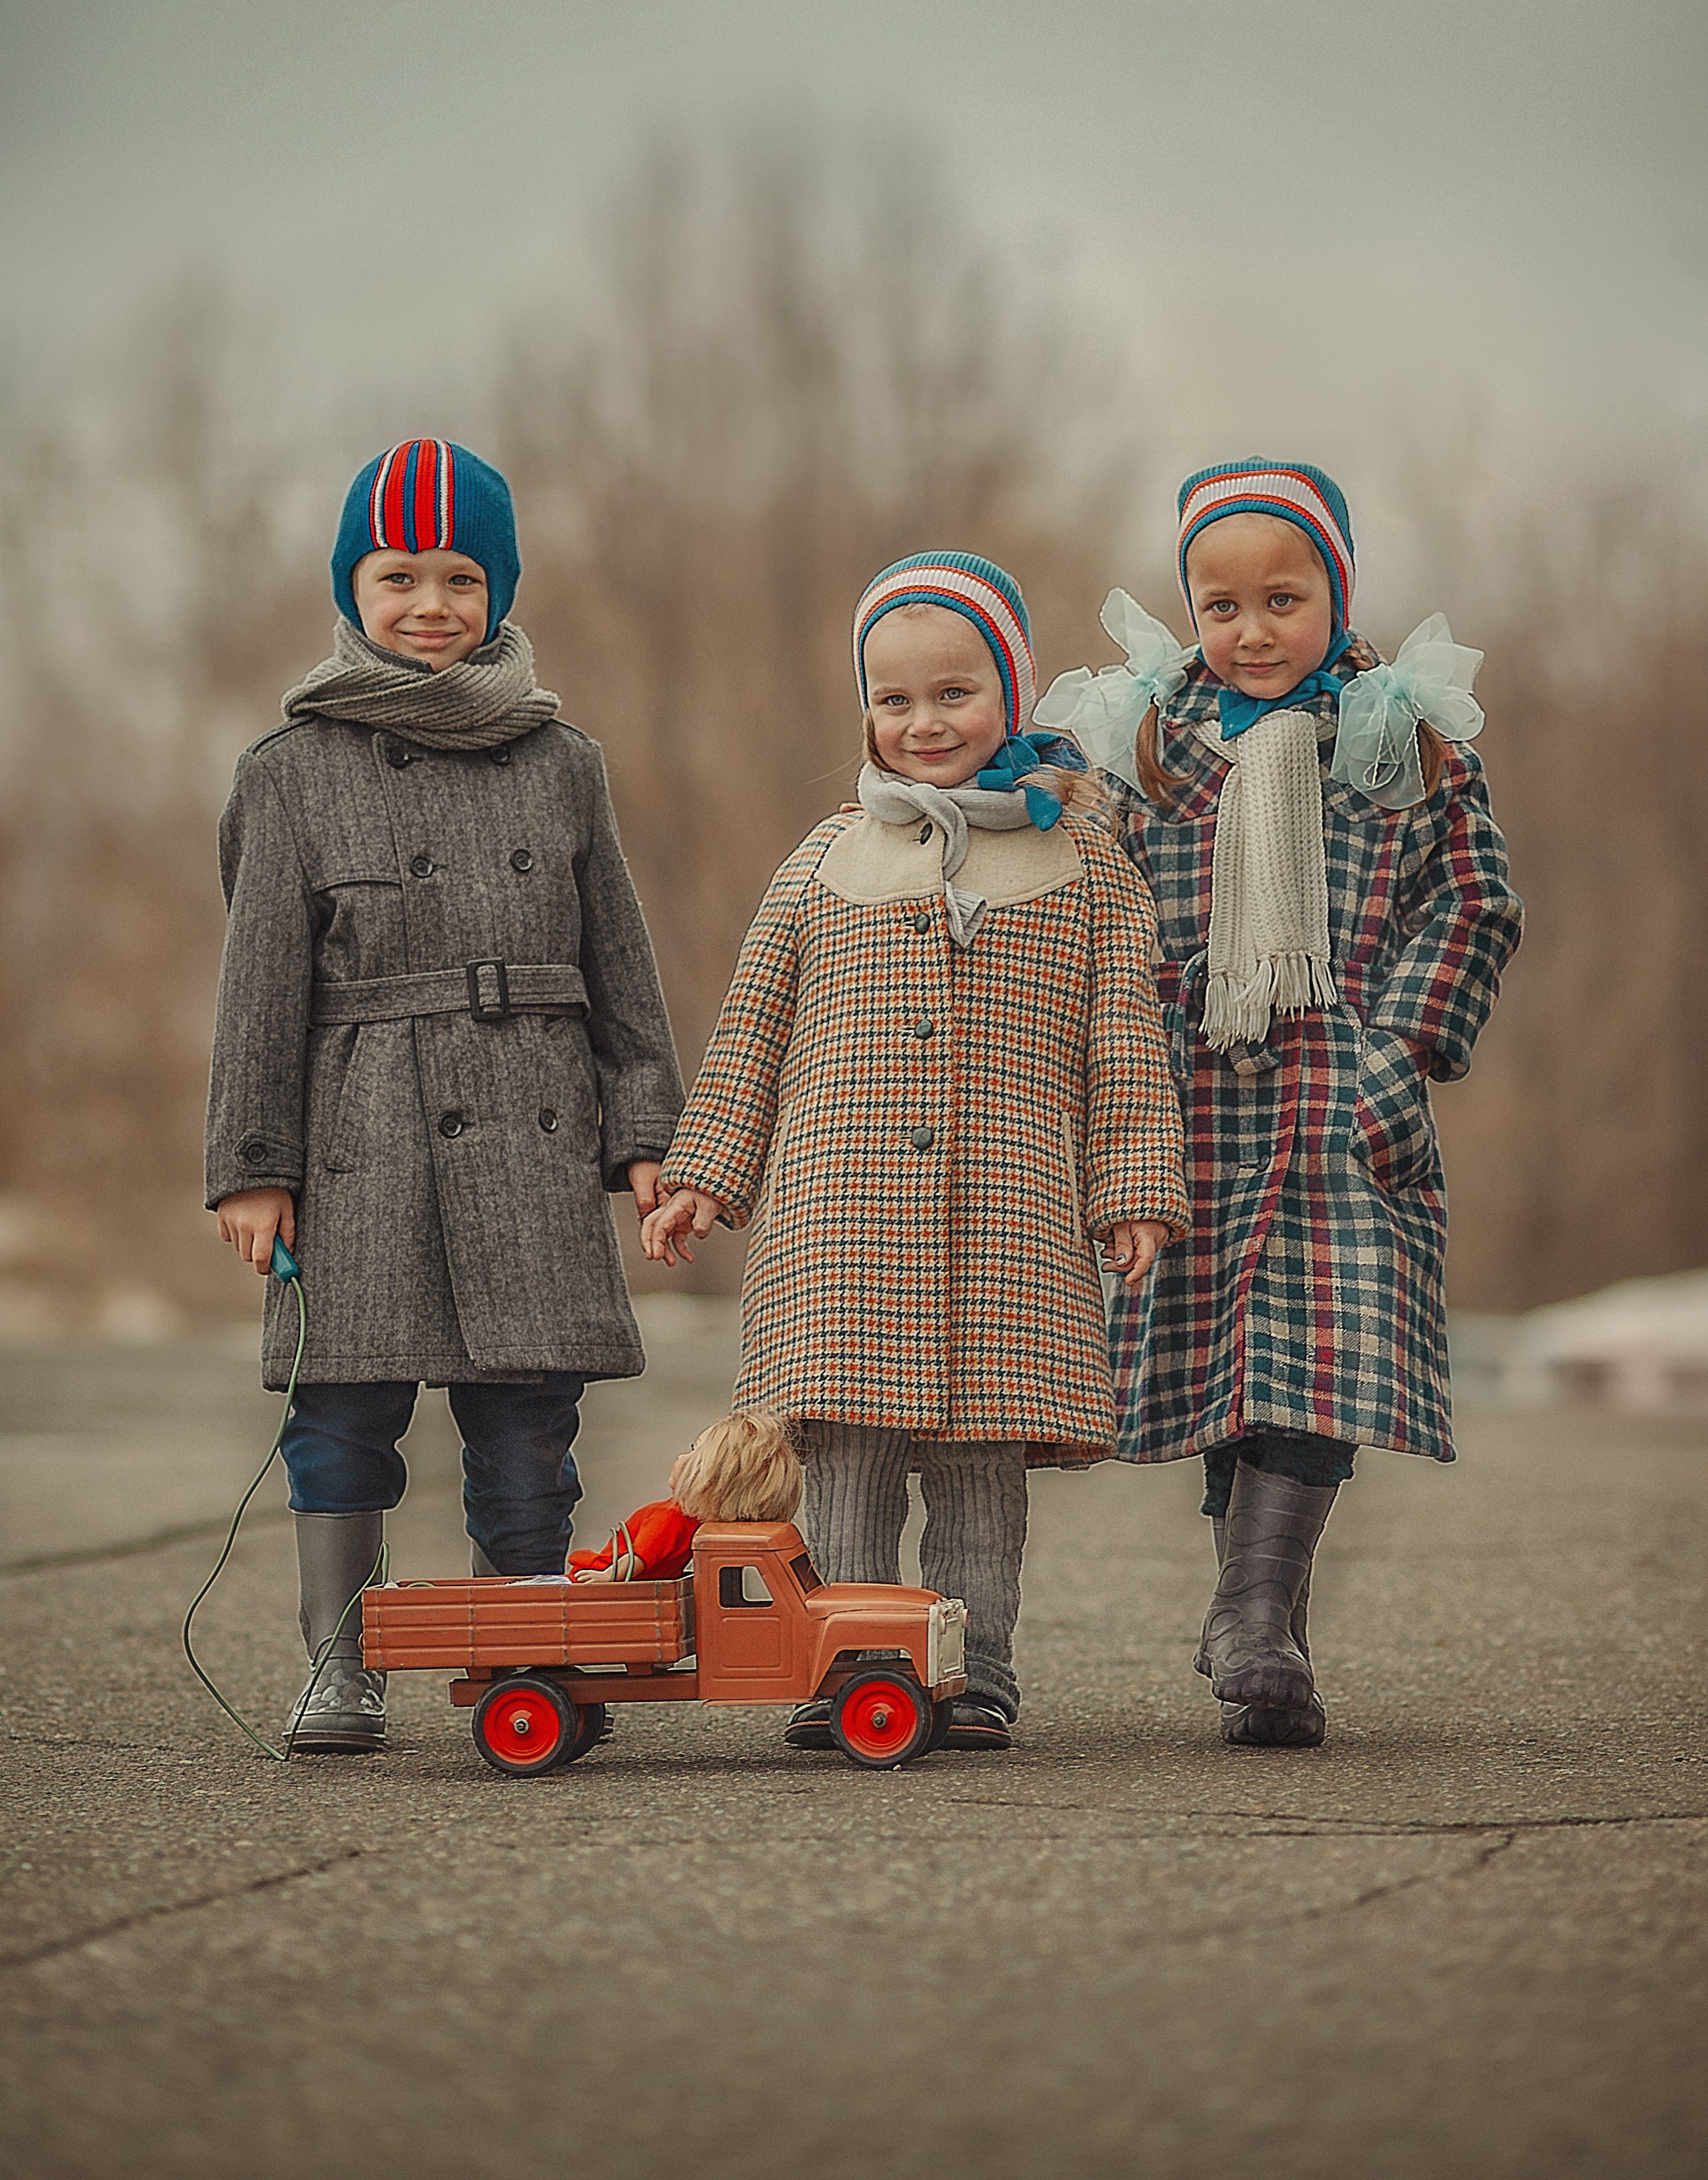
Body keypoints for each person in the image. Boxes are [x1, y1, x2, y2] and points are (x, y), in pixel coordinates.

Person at [641, 550, 1188, 1749]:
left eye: (955, 692)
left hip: (1010, 1218)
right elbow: (751, 1034)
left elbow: (1125, 1045)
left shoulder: (1087, 864)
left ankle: (975, 1664)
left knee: (980, 1467)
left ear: (1013, 692)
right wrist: (703, 1172)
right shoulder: (823, 862)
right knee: (842, 1457)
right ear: (866, 711)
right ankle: (852, 1658)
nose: (923, 721)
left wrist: (1135, 1187)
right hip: (837, 1226)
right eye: (894, 699)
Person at [206, 437, 684, 1751]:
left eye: (462, 574)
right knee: (342, 1405)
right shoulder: (285, 772)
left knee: (528, 1414)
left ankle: (531, 1643)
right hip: (359, 1127)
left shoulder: (561, 758)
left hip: (526, 1115)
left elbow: (619, 962)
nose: (430, 601)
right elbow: (255, 990)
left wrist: (646, 1130)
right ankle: (338, 1667)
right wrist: (255, 1161)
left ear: (501, 587)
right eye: (398, 571)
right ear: (350, 585)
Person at [1035, 459, 1523, 1747]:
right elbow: (1096, 897)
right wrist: (1123, 1031)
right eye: (1222, 604)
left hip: (1342, 1102)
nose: (1251, 631)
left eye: (1282, 599)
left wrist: (1400, 1046)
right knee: (1222, 1367)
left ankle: (1256, 1615)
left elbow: (1472, 898)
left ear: (1335, 593)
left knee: (1320, 1353)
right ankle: (1261, 1631)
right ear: (1190, 608)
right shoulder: (1149, 741)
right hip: (1189, 1093)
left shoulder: (1399, 738)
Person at [567, 1408, 803, 1581]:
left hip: (605, 1575)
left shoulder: (670, 1519)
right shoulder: (696, 1525)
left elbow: (638, 1559)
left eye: (694, 1451)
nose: (681, 1457)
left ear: (710, 1481)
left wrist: (607, 1578)